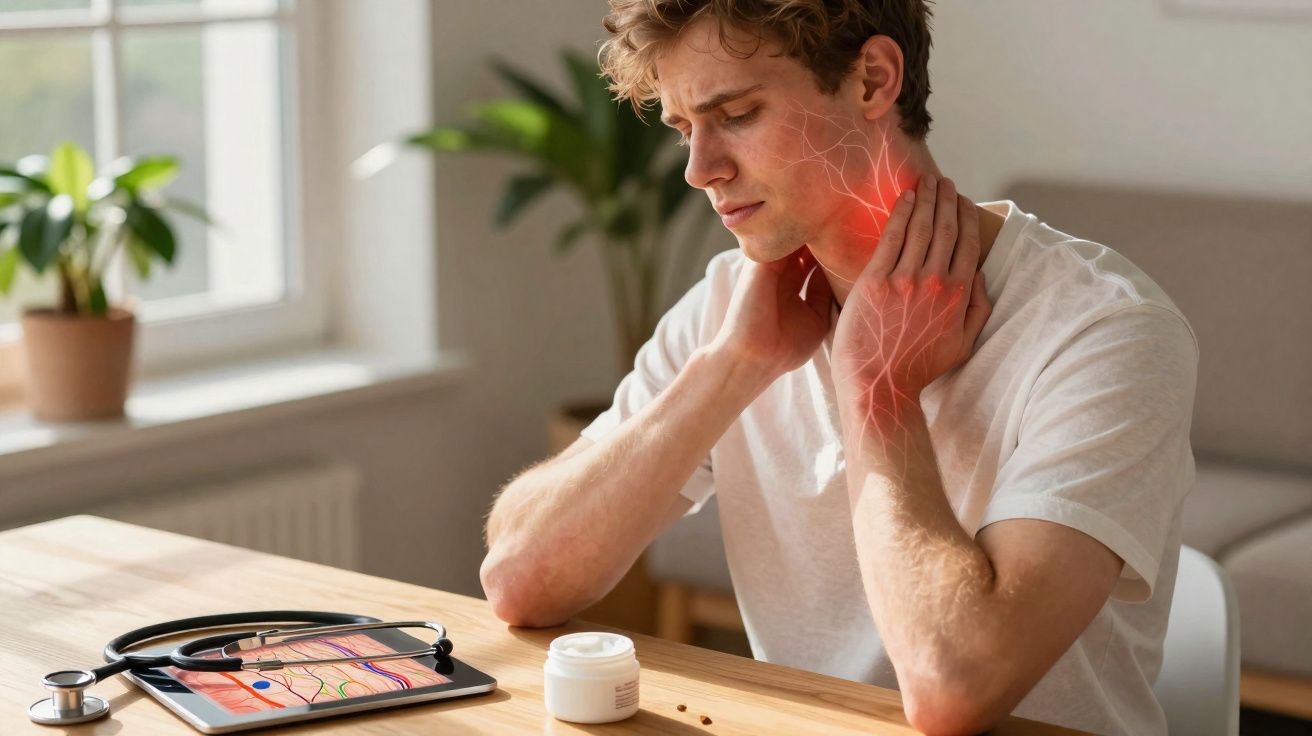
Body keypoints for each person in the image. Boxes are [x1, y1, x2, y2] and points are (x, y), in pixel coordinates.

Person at [480, 2, 1199, 734]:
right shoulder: (734, 309)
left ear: (874, 79)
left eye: (736, 113)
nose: (700, 170)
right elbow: (518, 578)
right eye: (683, 128)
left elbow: (955, 688)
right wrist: (731, 365)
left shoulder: (1104, 330)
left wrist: (879, 388)